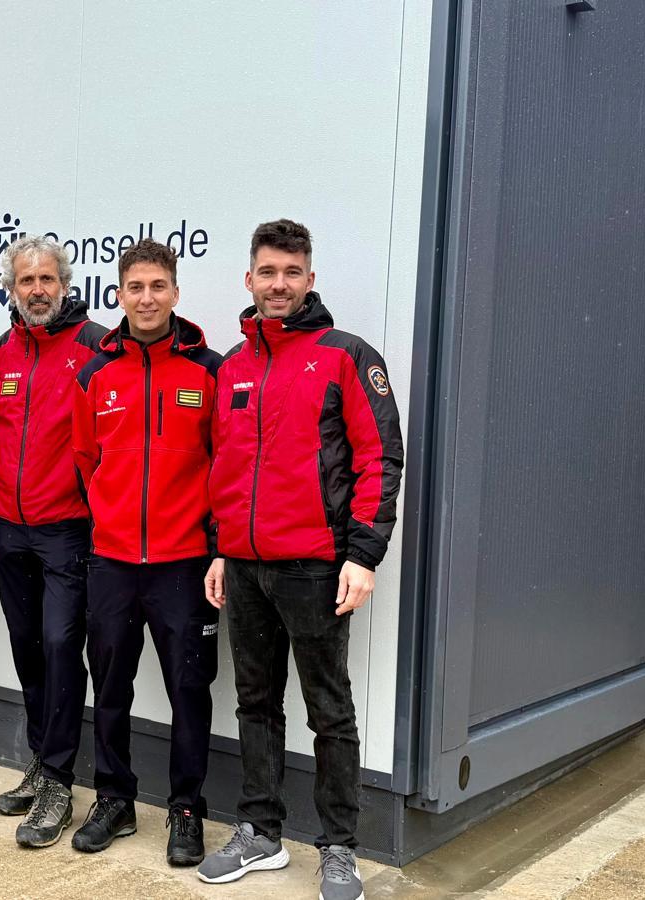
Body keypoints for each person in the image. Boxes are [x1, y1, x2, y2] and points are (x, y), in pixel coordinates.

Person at [197, 220, 404, 900]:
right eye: (268, 272)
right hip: (244, 565)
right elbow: (225, 465)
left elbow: (379, 457)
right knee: (254, 703)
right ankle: (260, 832)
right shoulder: (233, 365)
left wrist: (364, 555)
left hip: (316, 567)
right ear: (249, 279)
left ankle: (339, 848)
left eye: (291, 272)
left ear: (310, 279)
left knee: (328, 710)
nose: (279, 284)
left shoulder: (345, 355)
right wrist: (222, 546)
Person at [70, 240, 220, 866]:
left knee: (189, 689)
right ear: (120, 294)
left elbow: (225, 464)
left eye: (159, 286)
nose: (148, 298)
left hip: (185, 563)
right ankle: (115, 798)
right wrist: (111, 520)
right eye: (136, 287)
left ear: (176, 292)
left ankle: (186, 808)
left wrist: (213, 544)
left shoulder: (209, 371)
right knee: (110, 686)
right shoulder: (94, 375)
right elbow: (86, 460)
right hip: (112, 560)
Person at [0, 235, 106, 848]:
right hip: (11, 525)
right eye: (26, 280)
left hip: (67, 529)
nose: (37, 290)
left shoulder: (96, 346)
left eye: (46, 279)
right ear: (11, 288)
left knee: (60, 646)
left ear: (65, 284)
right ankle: (40, 759)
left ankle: (58, 779)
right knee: (28, 647)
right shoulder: (3, 349)